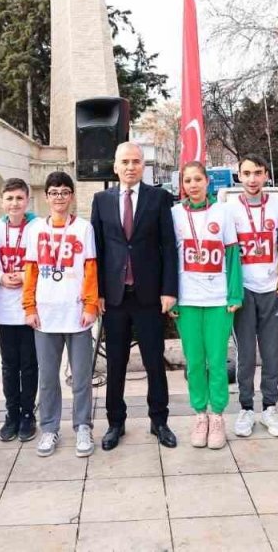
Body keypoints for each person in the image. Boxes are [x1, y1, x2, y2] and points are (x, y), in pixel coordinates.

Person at [91, 142, 180, 450]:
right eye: (125, 162)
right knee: (116, 362)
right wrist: (98, 293)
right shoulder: (101, 200)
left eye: (136, 161)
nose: (130, 167)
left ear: (144, 166)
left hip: (149, 295)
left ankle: (160, 420)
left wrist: (169, 290)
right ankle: (116, 422)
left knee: (154, 361)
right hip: (114, 298)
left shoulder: (159, 199)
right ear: (115, 166)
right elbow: (98, 251)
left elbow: (168, 246)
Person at [23, 172, 99, 458]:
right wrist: (29, 307)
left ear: (72, 196)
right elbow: (30, 270)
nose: (59, 197)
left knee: (81, 377)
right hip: (45, 314)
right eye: (54, 192)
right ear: (46, 196)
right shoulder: (34, 229)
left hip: (77, 312)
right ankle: (50, 428)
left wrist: (91, 306)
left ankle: (82, 426)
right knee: (48, 378)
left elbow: (90, 268)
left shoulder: (83, 228)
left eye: (64, 192)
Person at [172, 162, 242, 449]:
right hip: (186, 300)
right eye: (187, 180)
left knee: (216, 361)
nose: (193, 185)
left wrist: (234, 295)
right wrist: (171, 297)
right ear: (182, 185)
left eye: (198, 179)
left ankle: (217, 415)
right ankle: (200, 414)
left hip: (217, 301)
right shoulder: (174, 214)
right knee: (195, 362)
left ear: (207, 182)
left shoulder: (223, 212)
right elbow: (168, 258)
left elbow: (233, 254)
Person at [228, 154, 278, 438]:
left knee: (273, 352)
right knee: (246, 355)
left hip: (272, 289)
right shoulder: (229, 210)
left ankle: (270, 407)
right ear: (239, 176)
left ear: (266, 175)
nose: (252, 179)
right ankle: (246, 408)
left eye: (258, 173)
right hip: (244, 292)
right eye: (247, 173)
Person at [0, 178, 39, 444]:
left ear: (27, 200)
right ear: (2, 202)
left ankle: (28, 414)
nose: (15, 203)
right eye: (9, 199)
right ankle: (11, 414)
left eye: (19, 198)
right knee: (9, 366)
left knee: (30, 365)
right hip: (5, 309)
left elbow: (44, 262)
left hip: (31, 307)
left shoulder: (38, 227)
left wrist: (26, 275)